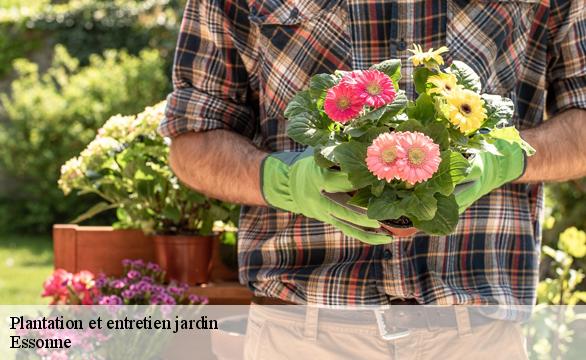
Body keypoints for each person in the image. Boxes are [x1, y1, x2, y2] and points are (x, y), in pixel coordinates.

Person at [159, 0, 585, 356]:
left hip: (476, 337)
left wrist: (506, 156)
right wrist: (282, 180)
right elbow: (193, 138)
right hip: (300, 334)